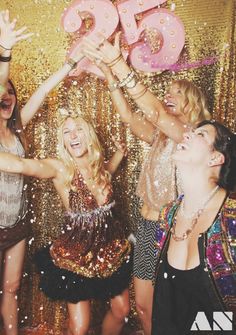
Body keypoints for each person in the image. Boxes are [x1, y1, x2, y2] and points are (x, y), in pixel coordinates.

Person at [81, 33, 211, 334]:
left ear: (191, 102)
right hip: (147, 226)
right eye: (168, 89)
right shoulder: (160, 136)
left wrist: (116, 62)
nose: (168, 93)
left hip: (175, 232)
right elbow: (128, 116)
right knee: (142, 305)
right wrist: (110, 75)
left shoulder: (191, 136)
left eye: (176, 91)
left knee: (173, 304)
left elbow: (156, 112)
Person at [0, 114, 133, 335]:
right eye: (66, 132)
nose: (73, 136)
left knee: (122, 311)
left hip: (109, 251)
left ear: (88, 135)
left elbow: (108, 172)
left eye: (78, 129)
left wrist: (120, 153)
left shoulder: (99, 166)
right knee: (80, 327)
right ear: (62, 141)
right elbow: (21, 164)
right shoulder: (60, 169)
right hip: (76, 256)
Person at [0, 9, 83, 335]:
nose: (6, 97)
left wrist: (70, 64)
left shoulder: (18, 128)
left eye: (11, 94)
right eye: (1, 94)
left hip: (17, 222)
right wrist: (5, 51)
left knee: (12, 287)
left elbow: (43, 91)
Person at [152, 120, 236, 334]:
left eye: (201, 134)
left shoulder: (231, 217)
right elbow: (165, 311)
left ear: (215, 158)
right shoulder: (167, 215)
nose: (187, 134)